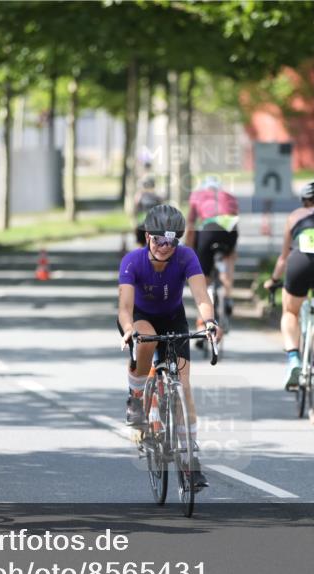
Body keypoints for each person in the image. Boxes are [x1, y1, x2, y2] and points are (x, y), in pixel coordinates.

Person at [118, 204, 222, 491]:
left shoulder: (186, 256)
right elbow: (124, 307)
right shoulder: (133, 261)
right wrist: (128, 330)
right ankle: (136, 396)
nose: (165, 247)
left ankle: (191, 461)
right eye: (158, 240)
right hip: (140, 319)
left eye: (171, 241)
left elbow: (201, 295)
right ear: (147, 237)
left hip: (174, 319)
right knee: (147, 337)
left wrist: (210, 321)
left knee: (184, 388)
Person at [262, 180, 314, 388]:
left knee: (290, 311)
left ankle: (293, 361)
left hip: (301, 262)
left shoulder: (294, 216)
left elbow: (284, 257)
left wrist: (273, 280)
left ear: (303, 200)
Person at [186, 175, 240, 327]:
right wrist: (233, 250)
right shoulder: (229, 196)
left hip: (209, 230)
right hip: (230, 231)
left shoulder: (197, 196)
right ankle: (227, 295)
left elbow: (190, 226)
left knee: (203, 278)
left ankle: (201, 320)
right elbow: (235, 221)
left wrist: (189, 250)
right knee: (229, 259)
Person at [133, 176, 164, 247]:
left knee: (144, 246)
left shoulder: (140, 196)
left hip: (146, 224)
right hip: (150, 224)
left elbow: (135, 211)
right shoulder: (157, 196)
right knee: (150, 246)